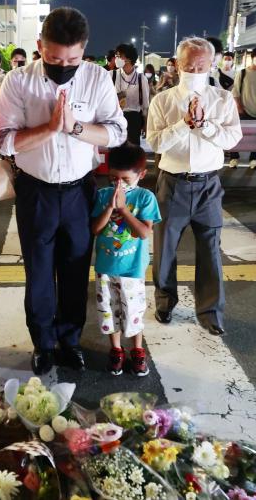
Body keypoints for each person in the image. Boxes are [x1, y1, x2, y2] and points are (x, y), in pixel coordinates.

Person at [0, 7, 127, 375]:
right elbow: (5, 141)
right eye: (54, 58)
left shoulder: (97, 78)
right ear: (39, 46)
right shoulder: (17, 81)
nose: (63, 65)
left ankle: (70, 341)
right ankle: (43, 342)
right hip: (35, 190)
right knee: (38, 272)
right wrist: (50, 128)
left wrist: (75, 128)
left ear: (84, 50)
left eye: (72, 58)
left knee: (74, 269)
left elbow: (117, 132)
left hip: (79, 190)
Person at [147, 37, 241, 335]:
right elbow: (155, 142)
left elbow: (232, 139)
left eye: (201, 65)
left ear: (212, 64)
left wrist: (205, 125)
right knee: (165, 249)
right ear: (176, 64)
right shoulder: (163, 100)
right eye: (188, 65)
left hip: (208, 184)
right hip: (172, 183)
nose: (194, 70)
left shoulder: (223, 99)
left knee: (210, 249)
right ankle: (164, 301)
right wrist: (184, 124)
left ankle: (210, 310)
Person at [90, 144, 161, 376]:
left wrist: (125, 210)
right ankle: (116, 350)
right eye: (113, 178)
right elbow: (95, 229)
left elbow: (143, 232)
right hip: (105, 267)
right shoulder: (102, 195)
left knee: (133, 311)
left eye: (125, 179)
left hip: (132, 269)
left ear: (141, 175)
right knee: (110, 310)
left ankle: (138, 350)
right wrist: (110, 207)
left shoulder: (145, 197)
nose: (118, 184)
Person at [229, 47, 256, 169]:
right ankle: (234, 157)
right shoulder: (242, 73)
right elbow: (235, 92)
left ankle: (254, 159)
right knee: (237, 134)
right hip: (242, 110)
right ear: (252, 57)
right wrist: (240, 107)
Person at [111, 43, 149, 145]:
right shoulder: (112, 75)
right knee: (115, 149)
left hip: (133, 119)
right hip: (115, 117)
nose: (116, 58)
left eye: (119, 56)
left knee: (132, 151)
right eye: (116, 56)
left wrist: (145, 124)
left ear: (129, 59)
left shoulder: (141, 79)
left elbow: (145, 106)